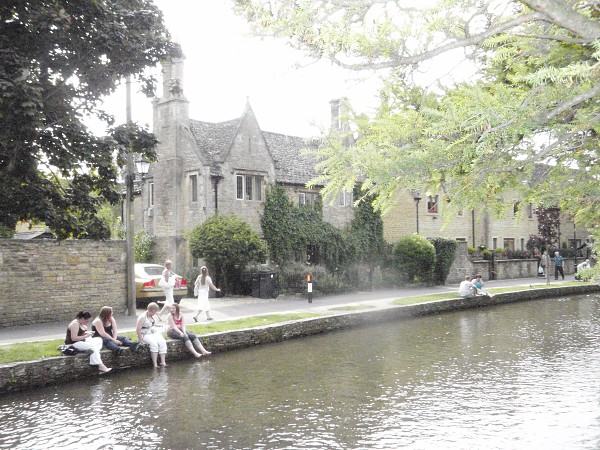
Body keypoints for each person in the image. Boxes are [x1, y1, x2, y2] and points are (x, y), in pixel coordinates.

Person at [137, 302, 167, 368]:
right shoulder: (142, 317)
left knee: (162, 342)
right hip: (144, 334)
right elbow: (138, 329)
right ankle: (155, 364)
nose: (156, 313)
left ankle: (163, 362)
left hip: (152, 332)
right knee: (154, 344)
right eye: (155, 311)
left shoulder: (151, 316)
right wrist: (140, 340)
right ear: (152, 310)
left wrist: (160, 325)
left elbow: (152, 324)